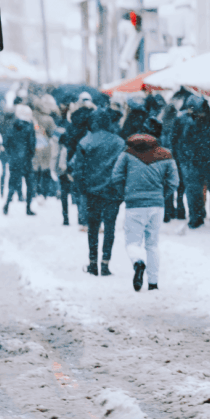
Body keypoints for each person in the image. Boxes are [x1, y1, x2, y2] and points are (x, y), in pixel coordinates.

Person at [112, 118, 179, 292]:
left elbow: (116, 176)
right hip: (156, 205)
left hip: (134, 204)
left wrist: (126, 194)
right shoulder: (166, 154)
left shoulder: (128, 153)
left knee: (132, 243)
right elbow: (174, 182)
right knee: (153, 245)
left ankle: (138, 263)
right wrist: (160, 195)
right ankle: (154, 283)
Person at [71, 109, 125, 276]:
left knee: (93, 228)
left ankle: (92, 262)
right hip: (112, 192)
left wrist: (82, 190)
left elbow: (78, 170)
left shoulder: (85, 141)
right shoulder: (119, 142)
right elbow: (124, 169)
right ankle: (105, 263)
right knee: (110, 228)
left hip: (92, 192)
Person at [176, 97, 210, 230]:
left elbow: (185, 143)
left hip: (199, 163)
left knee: (198, 192)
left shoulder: (193, 124)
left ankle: (198, 218)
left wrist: (189, 157)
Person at [2, 104, 36, 215]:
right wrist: (30, 155)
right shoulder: (30, 127)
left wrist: (11, 154)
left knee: (13, 183)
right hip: (26, 160)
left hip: (14, 160)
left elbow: (6, 142)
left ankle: (7, 205)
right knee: (30, 184)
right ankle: (28, 208)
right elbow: (32, 144)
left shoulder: (12, 126)